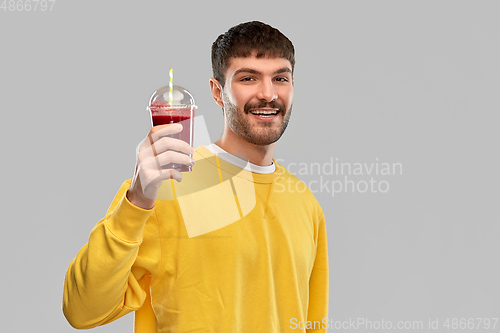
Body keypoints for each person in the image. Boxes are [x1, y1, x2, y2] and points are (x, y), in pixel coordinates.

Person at [63, 21, 328, 333]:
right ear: (218, 93)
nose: (268, 94)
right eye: (248, 78)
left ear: (293, 86)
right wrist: (136, 200)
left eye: (280, 78)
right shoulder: (166, 186)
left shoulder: (305, 203)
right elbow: (82, 311)